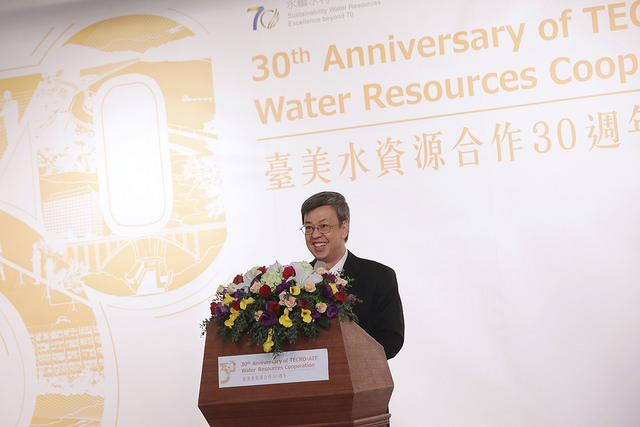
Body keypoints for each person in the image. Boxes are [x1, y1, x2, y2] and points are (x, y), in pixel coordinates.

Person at [300, 191, 404, 359]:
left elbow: (392, 338)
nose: (315, 235)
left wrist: (344, 357)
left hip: (360, 371)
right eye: (309, 228)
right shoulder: (295, 280)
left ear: (344, 228)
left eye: (324, 226)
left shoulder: (379, 276)